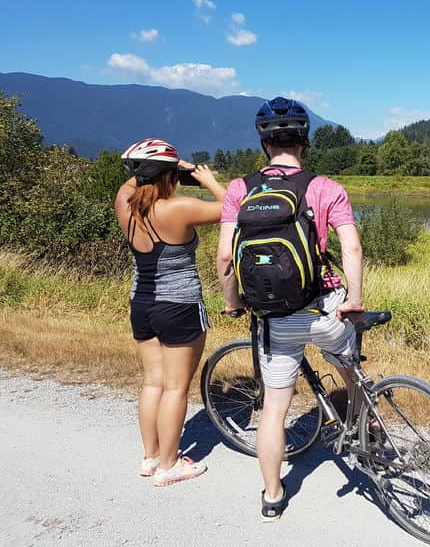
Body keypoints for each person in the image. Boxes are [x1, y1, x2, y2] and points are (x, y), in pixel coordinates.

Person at [216, 98, 363, 521]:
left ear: (264, 142)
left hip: (274, 320)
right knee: (348, 360)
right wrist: (353, 298)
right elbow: (351, 246)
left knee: (275, 409)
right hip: (323, 308)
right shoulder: (325, 187)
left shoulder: (239, 189)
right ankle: (362, 417)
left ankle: (273, 494)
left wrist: (233, 301)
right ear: (305, 141)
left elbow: (225, 257)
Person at [115, 138, 226, 486]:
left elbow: (132, 182)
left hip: (142, 303)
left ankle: (150, 457)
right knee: (176, 388)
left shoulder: (124, 203)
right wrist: (205, 178)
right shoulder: (179, 208)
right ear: (169, 175)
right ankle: (169, 465)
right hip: (178, 305)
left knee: (153, 382)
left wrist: (158, 169)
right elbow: (232, 208)